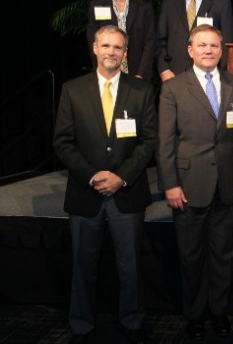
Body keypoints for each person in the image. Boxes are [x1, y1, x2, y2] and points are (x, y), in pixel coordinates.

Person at [53, 25, 157, 344]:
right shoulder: (72, 89)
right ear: (95, 49)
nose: (112, 52)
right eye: (106, 46)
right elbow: (63, 142)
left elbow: (149, 140)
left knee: (131, 265)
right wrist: (93, 176)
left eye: (119, 48)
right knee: (83, 264)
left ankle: (132, 320)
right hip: (86, 192)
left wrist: (121, 176)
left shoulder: (141, 91)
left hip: (127, 191)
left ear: (125, 54)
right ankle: (81, 324)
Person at [156, 24, 233, 341]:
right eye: (202, 45)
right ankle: (195, 314)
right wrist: (169, 184)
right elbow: (165, 142)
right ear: (190, 50)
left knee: (223, 254)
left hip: (228, 185)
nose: (209, 50)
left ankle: (218, 311)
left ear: (221, 49)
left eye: (214, 45)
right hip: (187, 186)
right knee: (191, 255)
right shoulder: (173, 88)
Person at [156, 0, 233, 81]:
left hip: (209, 78)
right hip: (174, 78)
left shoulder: (222, 3)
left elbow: (227, 46)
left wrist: (218, 76)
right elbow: (159, 42)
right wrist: (164, 70)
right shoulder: (169, 3)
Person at [86, 0, 155, 80]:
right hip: (105, 75)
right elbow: (93, 42)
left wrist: (141, 74)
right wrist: (102, 72)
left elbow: (150, 44)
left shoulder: (144, 8)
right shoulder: (97, 6)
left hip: (136, 75)